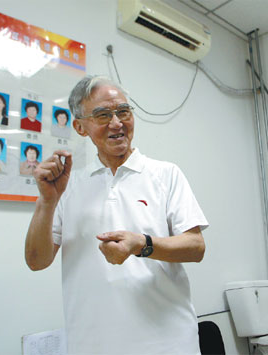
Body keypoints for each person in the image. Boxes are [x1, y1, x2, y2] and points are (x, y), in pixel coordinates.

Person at [25, 75, 208, 355]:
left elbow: (196, 247)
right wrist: (46, 202)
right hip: (91, 345)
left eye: (123, 111)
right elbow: (37, 261)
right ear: (80, 127)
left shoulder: (165, 174)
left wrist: (142, 244)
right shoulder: (69, 185)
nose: (117, 123)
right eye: (102, 115)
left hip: (168, 343)